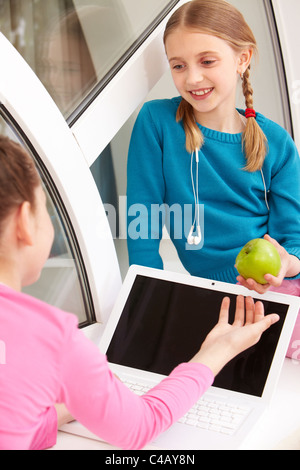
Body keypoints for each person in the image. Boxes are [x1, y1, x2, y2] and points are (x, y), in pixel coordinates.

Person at [0, 136, 279, 450]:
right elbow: (141, 427)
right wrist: (218, 351)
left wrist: (65, 409)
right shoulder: (49, 336)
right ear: (24, 221)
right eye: (45, 212)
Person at [127, 0, 300, 294]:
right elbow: (143, 222)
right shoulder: (156, 123)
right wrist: (146, 296)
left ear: (242, 59)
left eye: (207, 61)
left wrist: (286, 264)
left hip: (273, 288)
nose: (193, 78)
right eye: (179, 65)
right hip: (206, 293)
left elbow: (294, 243)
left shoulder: (277, 143)